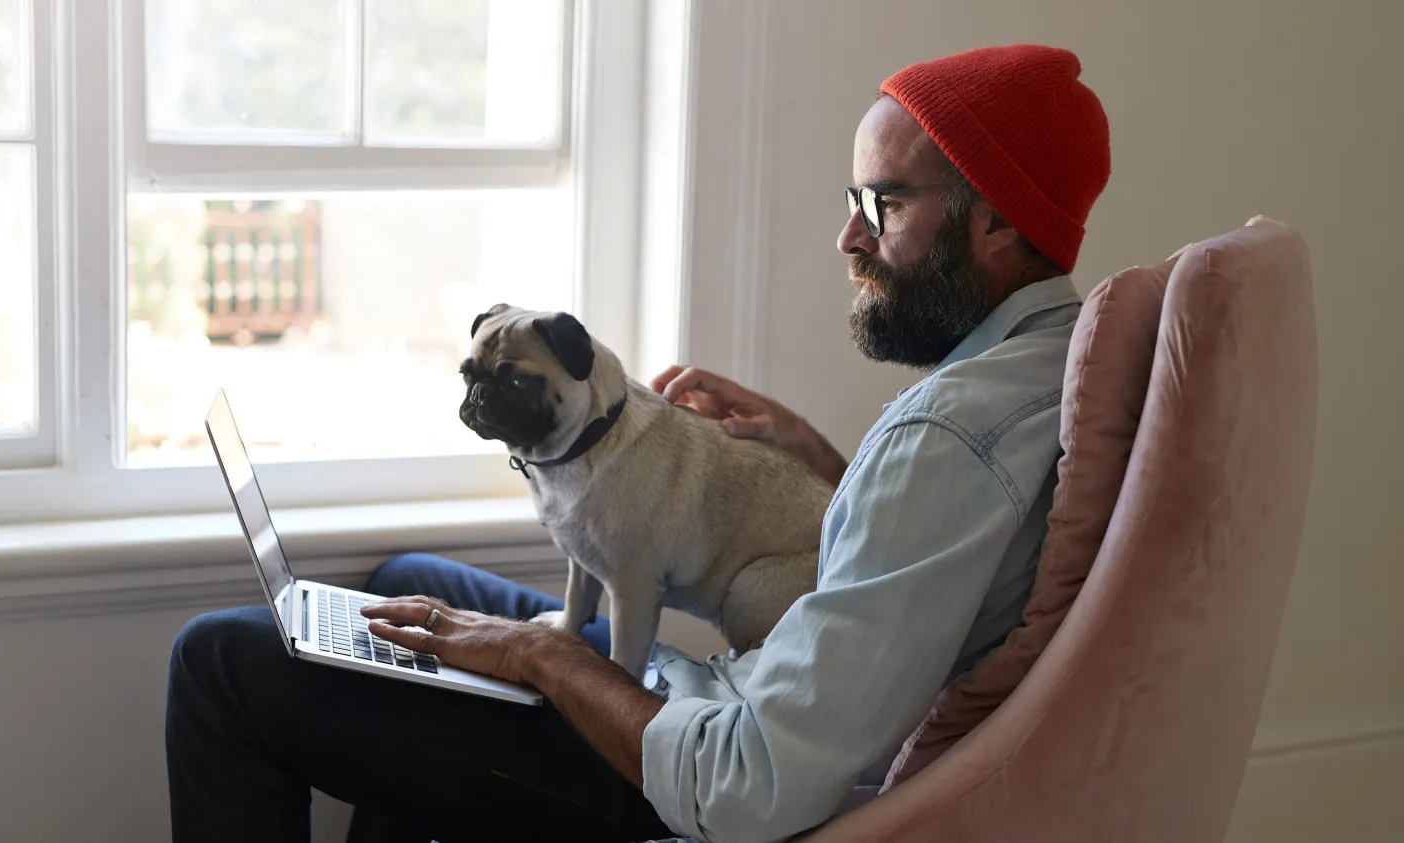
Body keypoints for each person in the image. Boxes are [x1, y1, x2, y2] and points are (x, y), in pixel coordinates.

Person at [166, 44, 1110, 843]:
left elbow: (745, 787)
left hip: (692, 773)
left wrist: (545, 659)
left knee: (219, 659)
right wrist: (819, 457)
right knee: (409, 578)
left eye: (885, 205)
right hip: (716, 699)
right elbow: (914, 547)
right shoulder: (1049, 365)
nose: (847, 238)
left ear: (996, 221)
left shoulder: (947, 433)